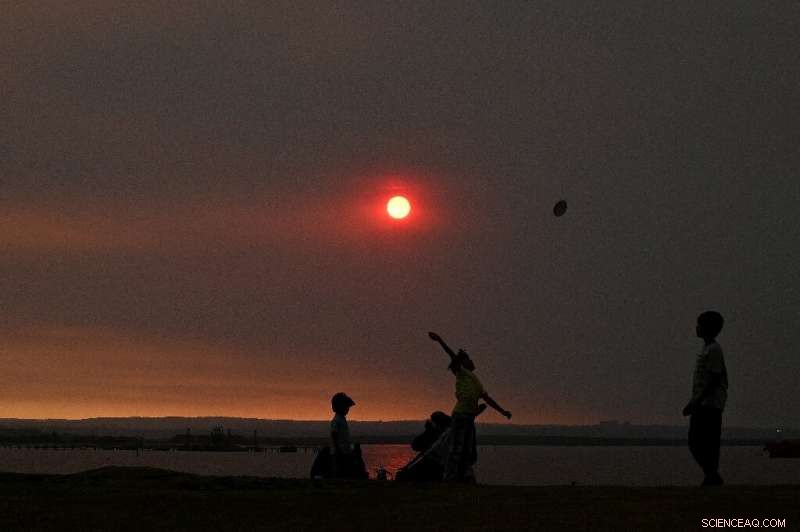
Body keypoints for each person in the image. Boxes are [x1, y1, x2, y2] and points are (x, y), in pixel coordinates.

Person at [428, 331, 512, 482]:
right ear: (463, 363)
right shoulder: (462, 373)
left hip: (469, 418)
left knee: (467, 450)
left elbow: (488, 399)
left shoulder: (476, 381)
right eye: (468, 359)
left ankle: (465, 476)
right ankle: (449, 478)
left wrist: (502, 411)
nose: (472, 361)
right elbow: (452, 355)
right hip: (460, 416)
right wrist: (440, 340)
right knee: (456, 448)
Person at [683, 311, 728, 486]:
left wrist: (697, 401)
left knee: (701, 441)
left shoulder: (714, 350)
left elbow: (714, 379)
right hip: (703, 403)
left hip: (710, 404)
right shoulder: (707, 349)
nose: (696, 328)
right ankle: (711, 476)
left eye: (699, 325)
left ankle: (712, 476)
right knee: (699, 442)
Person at [330, 392, 367, 479]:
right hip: (339, 451)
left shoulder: (342, 420)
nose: (347, 410)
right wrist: (337, 448)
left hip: (345, 451)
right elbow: (334, 434)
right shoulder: (337, 420)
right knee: (340, 471)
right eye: (346, 407)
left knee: (345, 470)